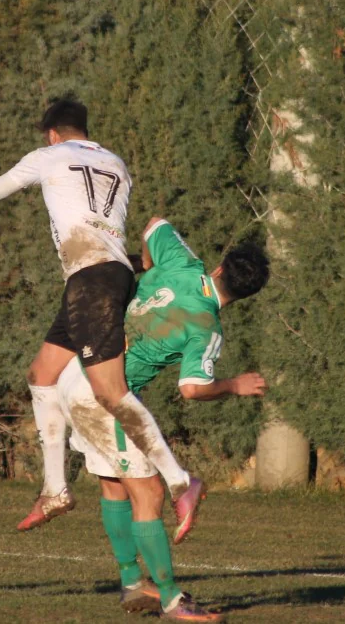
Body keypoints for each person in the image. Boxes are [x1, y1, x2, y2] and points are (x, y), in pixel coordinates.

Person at [0, 99, 205, 538]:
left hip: (91, 281)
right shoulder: (116, 162)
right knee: (42, 374)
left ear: (51, 133)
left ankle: (180, 481)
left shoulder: (48, 156)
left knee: (111, 393)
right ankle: (55, 487)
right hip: (105, 275)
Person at [58, 216, 270, 622]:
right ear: (246, 296)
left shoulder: (184, 265)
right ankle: (173, 600)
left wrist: (151, 268)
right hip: (108, 394)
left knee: (115, 486)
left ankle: (132, 581)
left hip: (78, 370)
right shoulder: (207, 326)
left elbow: (156, 223)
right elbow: (192, 388)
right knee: (150, 495)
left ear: (220, 267)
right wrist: (234, 385)